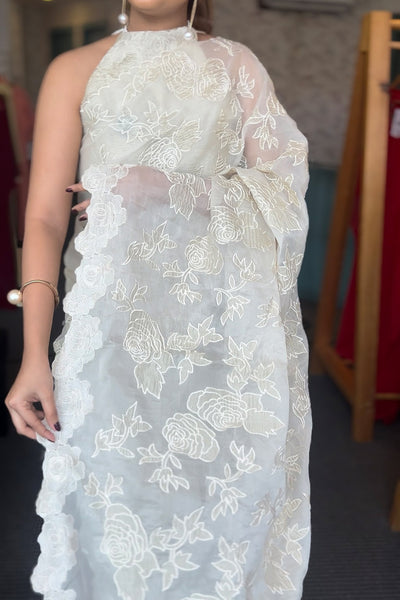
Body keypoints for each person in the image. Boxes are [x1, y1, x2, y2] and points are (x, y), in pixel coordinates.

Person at [5, 1, 312, 598]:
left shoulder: (237, 66)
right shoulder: (74, 69)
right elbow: (43, 219)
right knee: (111, 510)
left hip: (218, 335)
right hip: (110, 332)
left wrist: (161, 187)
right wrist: (34, 353)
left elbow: (284, 190)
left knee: (212, 511)